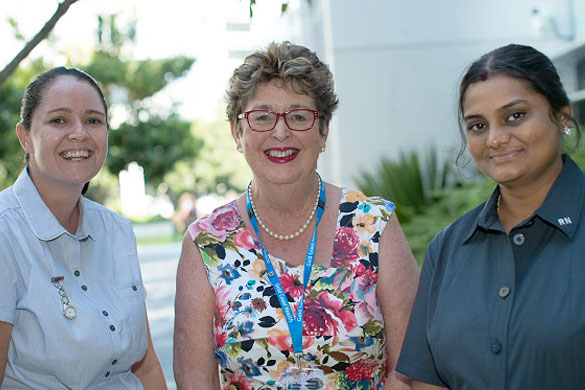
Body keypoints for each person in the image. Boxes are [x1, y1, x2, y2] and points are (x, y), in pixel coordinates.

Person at [174, 41, 419, 390]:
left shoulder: (374, 225)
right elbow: (195, 382)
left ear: (324, 131)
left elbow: (409, 370)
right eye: (261, 116)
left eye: (299, 116)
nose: (280, 132)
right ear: (236, 133)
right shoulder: (207, 243)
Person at [396, 44, 585, 390]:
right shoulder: (448, 248)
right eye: (478, 125)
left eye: (515, 116)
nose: (495, 139)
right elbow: (427, 380)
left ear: (562, 116)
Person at [0, 67, 166, 389]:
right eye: (59, 120)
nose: (79, 133)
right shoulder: (5, 233)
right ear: (25, 137)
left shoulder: (117, 231)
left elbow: (145, 367)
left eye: (93, 120)